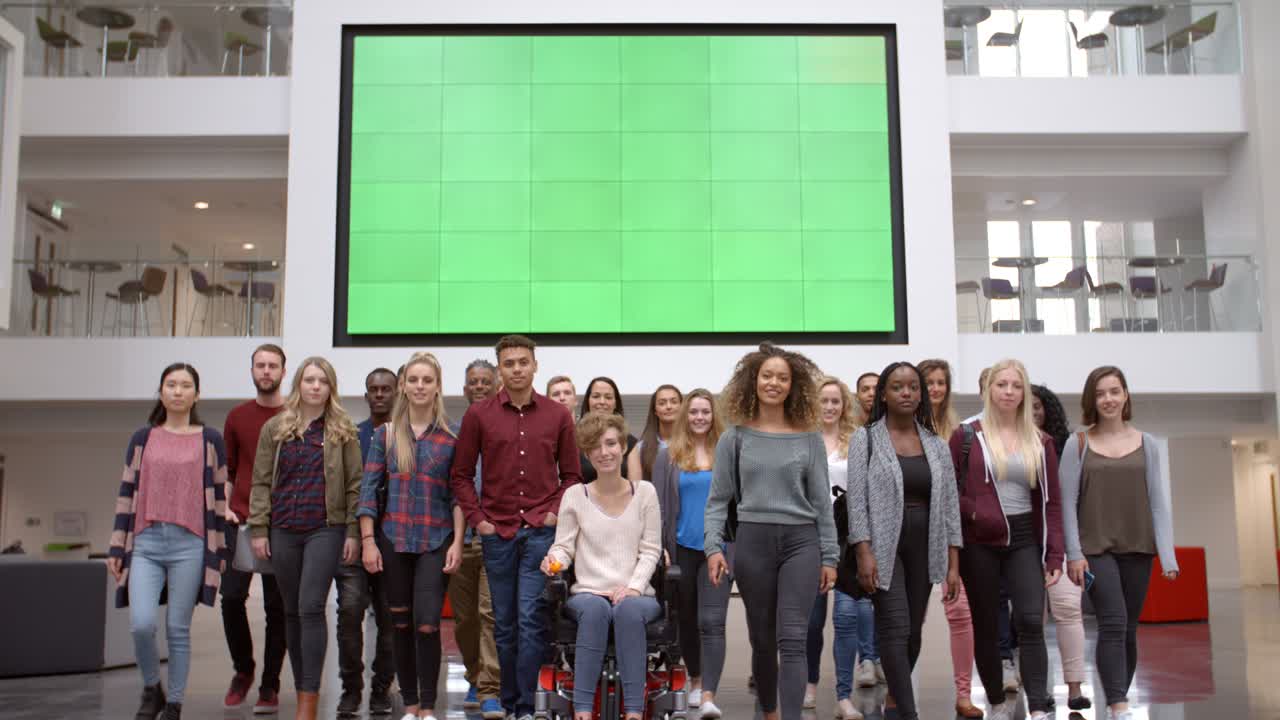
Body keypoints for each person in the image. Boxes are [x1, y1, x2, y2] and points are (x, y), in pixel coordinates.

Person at [451, 334, 582, 720]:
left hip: (541, 532)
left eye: (523, 362)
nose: (517, 369)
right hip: (498, 534)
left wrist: (555, 512)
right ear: (500, 370)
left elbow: (572, 475)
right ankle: (508, 702)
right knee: (503, 625)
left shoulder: (557, 416)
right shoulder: (479, 416)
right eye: (509, 363)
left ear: (535, 365)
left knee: (530, 620)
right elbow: (459, 476)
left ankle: (528, 706)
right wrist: (479, 521)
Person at [705, 343, 839, 720]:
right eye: (767, 375)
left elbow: (822, 503)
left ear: (793, 385)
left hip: (802, 542)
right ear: (753, 380)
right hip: (753, 541)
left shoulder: (810, 438)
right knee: (762, 641)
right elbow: (718, 501)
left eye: (782, 377)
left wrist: (829, 556)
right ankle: (769, 711)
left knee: (793, 639)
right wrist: (714, 547)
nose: (774, 383)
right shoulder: (735, 437)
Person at [108, 363, 229, 720]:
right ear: (161, 392)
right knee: (141, 624)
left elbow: (219, 499)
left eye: (185, 385)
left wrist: (218, 549)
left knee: (178, 628)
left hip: (190, 543)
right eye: (171, 384)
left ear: (197, 394)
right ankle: (151, 688)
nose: (178, 391)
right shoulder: (143, 438)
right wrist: (117, 546)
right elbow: (126, 493)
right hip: (145, 542)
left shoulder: (210, 440)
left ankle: (174, 702)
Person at [1061, 366, 1178, 720]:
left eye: (1114, 391)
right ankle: (1118, 704)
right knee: (1113, 621)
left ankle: (1117, 698)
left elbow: (1158, 500)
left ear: (1126, 395)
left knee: (1128, 628)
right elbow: (1066, 502)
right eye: (1100, 393)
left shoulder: (1149, 444)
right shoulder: (1077, 443)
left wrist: (1168, 555)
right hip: (1095, 548)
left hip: (1138, 547)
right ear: (1091, 400)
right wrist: (1074, 554)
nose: (1108, 399)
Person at [249, 357, 362, 720]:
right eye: (309, 380)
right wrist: (259, 528)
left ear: (331, 388)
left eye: (322, 381)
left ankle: (308, 703)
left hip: (324, 529)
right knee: (292, 612)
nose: (315, 386)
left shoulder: (343, 430)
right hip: (283, 529)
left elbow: (355, 486)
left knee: (312, 606)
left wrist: (352, 532)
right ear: (298, 383)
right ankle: (302, 689)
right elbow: (261, 481)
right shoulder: (275, 427)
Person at [847, 363, 962, 720]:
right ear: (884, 393)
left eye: (914, 387)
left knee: (912, 634)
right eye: (898, 387)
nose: (907, 393)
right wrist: (863, 550)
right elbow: (856, 500)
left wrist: (953, 563)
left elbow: (950, 506)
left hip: (925, 546)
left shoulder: (936, 444)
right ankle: (907, 713)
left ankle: (893, 701)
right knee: (895, 626)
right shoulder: (865, 439)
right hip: (884, 547)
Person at [951, 359, 1063, 720]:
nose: (1009, 391)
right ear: (989, 390)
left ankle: (1041, 707)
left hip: (1026, 539)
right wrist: (973, 512)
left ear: (1024, 392)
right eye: (1002, 384)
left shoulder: (1040, 440)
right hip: (980, 541)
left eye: (1016, 386)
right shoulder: (967, 435)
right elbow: (950, 493)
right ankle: (997, 702)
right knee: (985, 626)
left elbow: (1052, 501)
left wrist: (1055, 554)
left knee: (1031, 620)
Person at [359, 352, 465, 720]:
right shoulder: (385, 435)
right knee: (399, 622)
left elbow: (458, 496)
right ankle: (410, 705)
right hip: (393, 540)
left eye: (428, 380)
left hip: (435, 542)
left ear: (437, 387)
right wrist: (369, 540)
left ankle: (430, 708)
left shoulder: (451, 439)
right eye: (414, 380)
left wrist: (457, 542)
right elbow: (369, 492)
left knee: (427, 622)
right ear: (404, 385)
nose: (420, 386)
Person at [542, 412, 663, 720]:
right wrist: (554, 560)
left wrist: (633, 587)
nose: (604, 452)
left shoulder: (645, 493)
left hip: (637, 595)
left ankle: (634, 711)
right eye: (595, 446)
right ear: (586, 453)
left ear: (623, 446)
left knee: (627, 610)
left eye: (610, 443)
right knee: (595, 609)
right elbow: (563, 547)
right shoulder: (575, 495)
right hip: (589, 593)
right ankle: (582, 710)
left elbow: (651, 551)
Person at [651, 389, 731, 718]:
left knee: (712, 621)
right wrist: (661, 549)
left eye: (706, 412)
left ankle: (709, 693)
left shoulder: (727, 453)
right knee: (687, 620)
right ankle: (695, 680)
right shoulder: (667, 455)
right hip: (681, 549)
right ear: (686, 416)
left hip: (719, 551)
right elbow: (656, 507)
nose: (700, 417)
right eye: (694, 412)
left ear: (714, 416)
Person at [220, 344, 288, 714]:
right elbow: (228, 470)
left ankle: (269, 686)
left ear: (283, 370)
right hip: (240, 521)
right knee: (231, 598)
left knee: (278, 608)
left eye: (272, 365)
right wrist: (226, 509)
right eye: (260, 365)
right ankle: (244, 669)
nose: (265, 371)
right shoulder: (237, 416)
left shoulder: (294, 414)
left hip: (284, 524)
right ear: (252, 370)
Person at [917, 358, 982, 718]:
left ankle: (963, 694)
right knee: (908, 618)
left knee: (959, 613)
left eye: (942, 382)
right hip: (909, 534)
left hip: (949, 535)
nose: (936, 389)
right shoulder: (900, 430)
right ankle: (900, 693)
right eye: (929, 382)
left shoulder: (960, 433)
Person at [808, 376, 873, 720]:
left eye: (836, 401)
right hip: (812, 537)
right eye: (824, 400)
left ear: (844, 406)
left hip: (848, 538)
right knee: (811, 621)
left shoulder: (858, 440)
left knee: (846, 618)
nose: (830, 407)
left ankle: (844, 695)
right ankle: (809, 684)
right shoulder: (804, 440)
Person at [336, 368, 398, 717]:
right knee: (349, 611)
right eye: (373, 389)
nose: (379, 395)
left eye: (385, 389)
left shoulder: (406, 436)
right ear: (365, 395)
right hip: (354, 540)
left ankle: (380, 689)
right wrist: (354, 534)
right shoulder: (351, 436)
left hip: (394, 543)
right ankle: (351, 689)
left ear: (396, 393)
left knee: (390, 619)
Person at [1028, 383, 1091, 712]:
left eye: (1039, 406)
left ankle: (1075, 688)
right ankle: (1038, 691)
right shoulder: (1007, 447)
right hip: (1024, 545)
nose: (1034, 411)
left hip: (1062, 542)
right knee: (1030, 620)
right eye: (1029, 406)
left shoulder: (1067, 447)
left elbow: (1072, 501)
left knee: (1068, 611)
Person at [450, 359, 504, 719]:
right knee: (465, 619)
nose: (480, 386)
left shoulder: (504, 430)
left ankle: (489, 689)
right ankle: (473, 673)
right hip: (459, 538)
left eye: (487, 380)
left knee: (489, 615)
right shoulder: (453, 433)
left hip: (497, 538)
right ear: (466, 388)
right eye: (474, 382)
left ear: (496, 385)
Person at [578, 376, 639, 481]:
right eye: (596, 396)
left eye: (608, 397)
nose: (602, 401)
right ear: (588, 401)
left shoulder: (630, 441)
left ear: (615, 403)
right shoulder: (573, 438)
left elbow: (636, 487)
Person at [627, 384, 683, 482]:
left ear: (682, 407)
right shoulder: (640, 448)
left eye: (674, 402)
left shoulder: (694, 443)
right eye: (662, 403)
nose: (669, 406)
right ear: (655, 411)